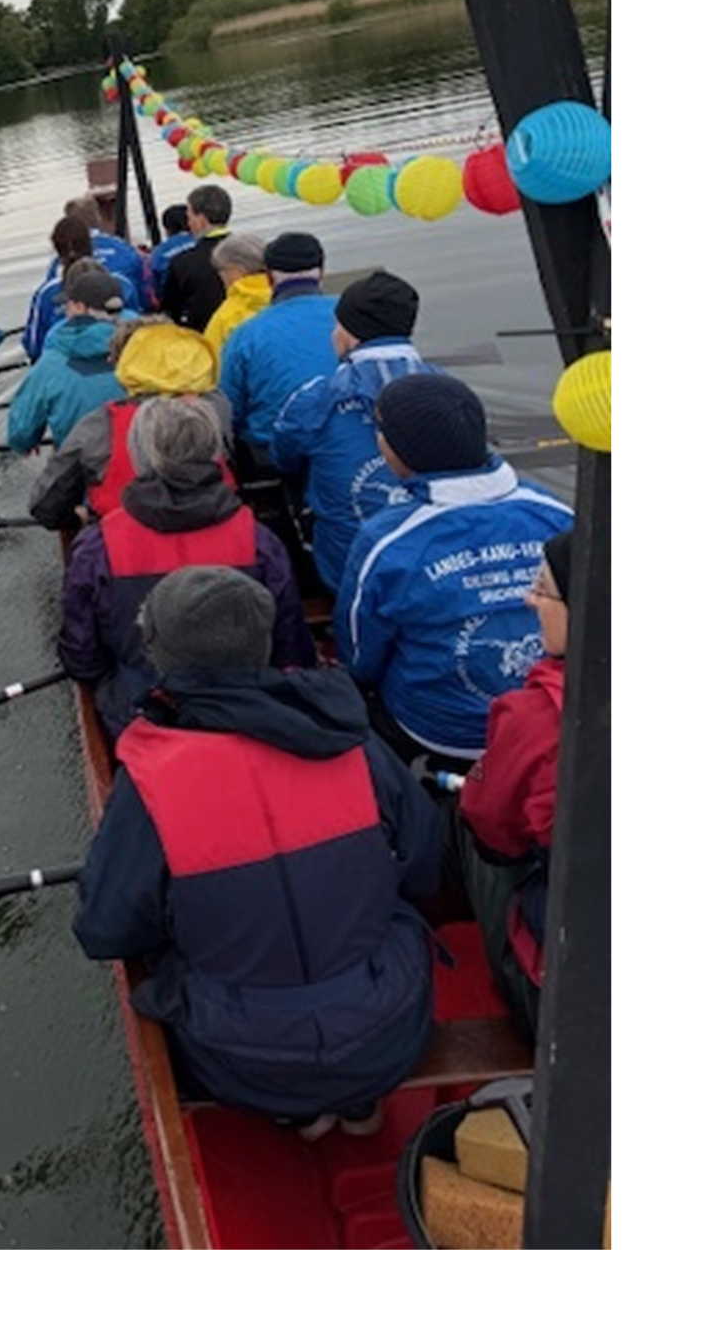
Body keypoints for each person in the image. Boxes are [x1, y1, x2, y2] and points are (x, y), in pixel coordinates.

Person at [73, 566, 442, 1140]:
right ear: (266, 645)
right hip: (392, 1030)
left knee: (173, 950)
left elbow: (104, 932)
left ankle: (298, 1112)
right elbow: (424, 865)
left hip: (243, 1065)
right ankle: (360, 1104)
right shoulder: (356, 743)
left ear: (160, 658)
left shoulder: (148, 784)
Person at [336, 373, 573, 769]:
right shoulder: (558, 513)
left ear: (401, 451)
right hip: (551, 728)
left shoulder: (386, 541)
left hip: (440, 733)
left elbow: (361, 655)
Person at [56, 396, 311, 734]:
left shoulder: (95, 548)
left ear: (139, 456)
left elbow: (82, 660)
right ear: (212, 452)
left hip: (139, 714)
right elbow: (291, 649)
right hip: (247, 711)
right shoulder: (260, 541)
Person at [459, 539, 569, 1039]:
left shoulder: (535, 719)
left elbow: (494, 834)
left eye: (544, 591)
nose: (529, 600)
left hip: (564, 999)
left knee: (466, 826)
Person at [271, 270, 440, 592]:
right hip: (438, 559)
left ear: (349, 333)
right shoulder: (449, 388)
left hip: (348, 569)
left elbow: (283, 458)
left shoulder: (316, 397)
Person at [27, 320, 228, 533]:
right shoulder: (218, 406)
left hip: (124, 547)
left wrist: (77, 519)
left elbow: (45, 508)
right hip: (215, 542)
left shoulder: (98, 424)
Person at [215, 232, 337, 473]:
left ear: (270, 278)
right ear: (322, 271)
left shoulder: (245, 334)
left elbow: (229, 407)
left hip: (272, 452)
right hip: (348, 438)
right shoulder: (350, 313)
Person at [8, 260, 132, 455]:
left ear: (81, 307)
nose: (65, 310)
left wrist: (27, 441)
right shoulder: (149, 346)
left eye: (69, 305)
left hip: (82, 470)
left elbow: (19, 435)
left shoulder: (51, 361)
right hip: (144, 465)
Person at [21, 215, 100, 361]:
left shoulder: (45, 294)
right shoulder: (121, 284)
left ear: (57, 249)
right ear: (91, 244)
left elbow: (33, 347)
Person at [160, 185, 236, 332]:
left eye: (189, 217)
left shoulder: (182, 263)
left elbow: (169, 314)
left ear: (201, 220)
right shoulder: (253, 252)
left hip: (204, 341)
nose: (188, 224)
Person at [197, 230, 271, 356]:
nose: (220, 277)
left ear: (237, 271)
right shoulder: (291, 297)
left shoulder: (227, 316)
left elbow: (211, 363)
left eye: (221, 270)